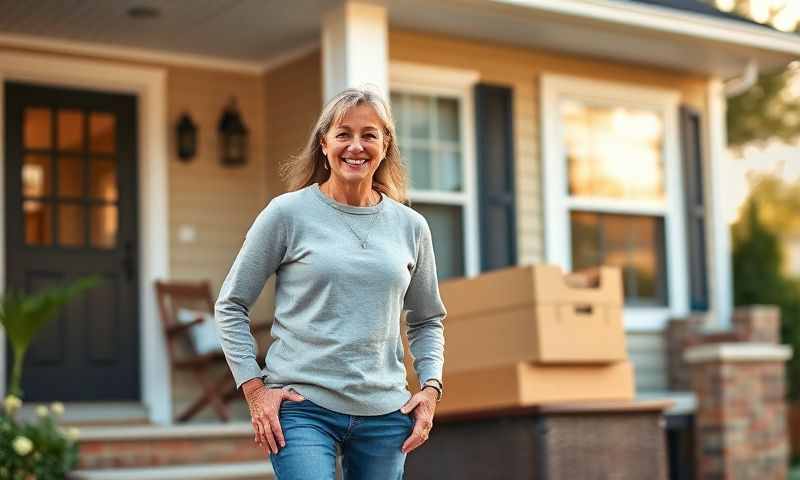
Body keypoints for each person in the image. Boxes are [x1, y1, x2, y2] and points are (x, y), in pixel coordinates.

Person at [214, 86, 446, 479]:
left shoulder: (411, 226)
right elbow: (231, 304)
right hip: (303, 407)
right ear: (324, 144)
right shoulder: (287, 214)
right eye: (343, 134)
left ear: (385, 144)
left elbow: (426, 319)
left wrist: (431, 388)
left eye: (369, 134)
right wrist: (255, 391)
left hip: (385, 413)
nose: (356, 146)